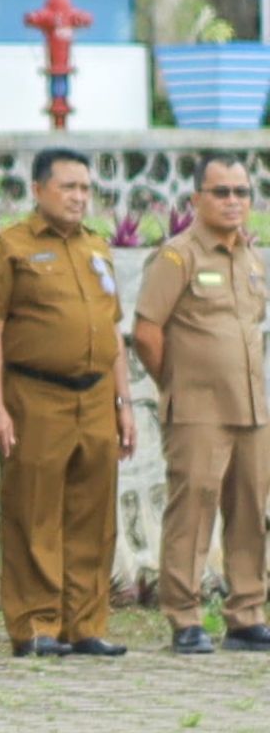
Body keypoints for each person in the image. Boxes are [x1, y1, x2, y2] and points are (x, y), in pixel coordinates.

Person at [0, 147, 136, 658]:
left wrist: (124, 403)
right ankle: (36, 625)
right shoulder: (10, 247)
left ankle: (85, 624)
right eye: (68, 187)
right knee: (33, 511)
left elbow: (112, 329)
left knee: (94, 514)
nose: (78, 197)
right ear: (39, 190)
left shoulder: (97, 247)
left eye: (85, 188)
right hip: (35, 393)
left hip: (94, 398)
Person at [133, 153, 270, 655]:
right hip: (197, 412)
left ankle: (246, 614)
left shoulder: (250, 258)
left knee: (252, 513)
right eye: (221, 192)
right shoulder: (177, 256)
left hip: (252, 410)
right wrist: (179, 384)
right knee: (192, 514)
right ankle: (186, 618)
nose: (233, 201)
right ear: (196, 199)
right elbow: (146, 332)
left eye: (241, 192)